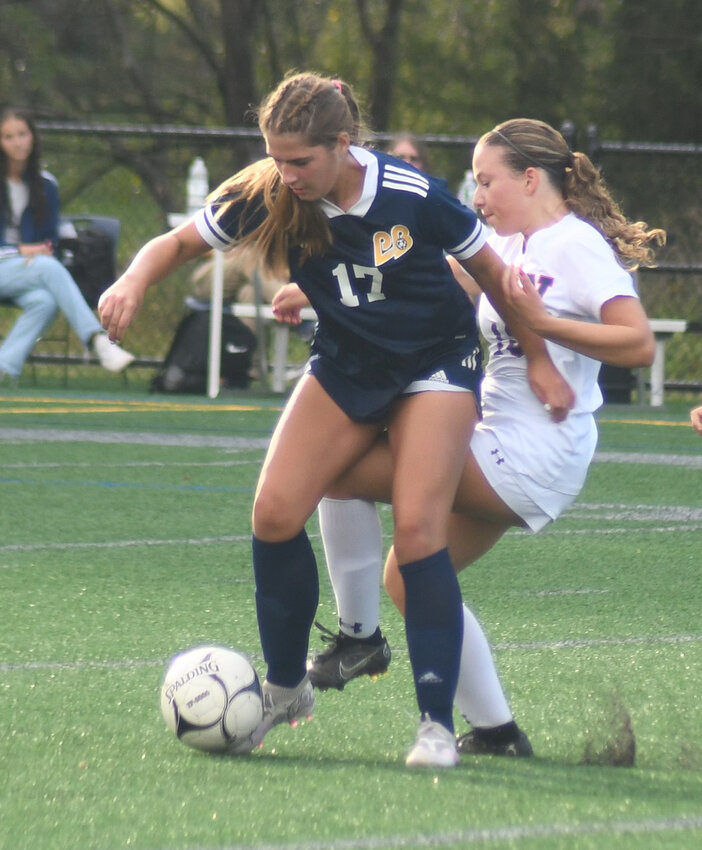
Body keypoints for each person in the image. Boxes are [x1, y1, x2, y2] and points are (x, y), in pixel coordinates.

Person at [98, 73, 569, 768]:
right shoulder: (267, 189)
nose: (286, 175)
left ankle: (436, 726)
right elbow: (174, 245)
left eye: (300, 161)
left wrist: (540, 360)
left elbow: (499, 279)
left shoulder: (412, 196)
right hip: (347, 363)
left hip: (432, 364)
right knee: (274, 511)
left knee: (417, 530)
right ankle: (287, 689)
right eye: (277, 158)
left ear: (343, 145)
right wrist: (133, 280)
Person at [305, 117, 663, 758]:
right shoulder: (515, 246)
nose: (476, 195)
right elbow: (430, 280)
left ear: (530, 179)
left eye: (486, 180)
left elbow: (637, 342)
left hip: (533, 452)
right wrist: (305, 298)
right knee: (407, 579)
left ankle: (359, 640)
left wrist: (545, 331)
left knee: (336, 465)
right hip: (501, 442)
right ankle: (498, 733)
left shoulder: (572, 244)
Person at [0, 108, 134, 382]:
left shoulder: (47, 186)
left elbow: (50, 237)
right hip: (15, 263)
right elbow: (24, 249)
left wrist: (38, 250)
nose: (17, 142)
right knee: (49, 270)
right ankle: (98, 340)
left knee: (44, 300)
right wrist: (19, 251)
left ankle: (4, 367)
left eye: (22, 134)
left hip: (27, 268)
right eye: (8, 136)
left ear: (33, 137)